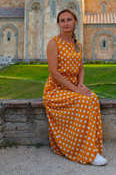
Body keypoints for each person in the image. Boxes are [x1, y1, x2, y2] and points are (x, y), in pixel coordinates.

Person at [43, 9, 107, 166]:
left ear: (75, 22)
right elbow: (54, 72)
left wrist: (80, 85)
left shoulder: (78, 45)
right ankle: (84, 152)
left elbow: (81, 69)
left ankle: (92, 147)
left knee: (93, 98)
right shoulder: (53, 43)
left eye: (69, 20)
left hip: (73, 86)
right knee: (83, 101)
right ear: (58, 24)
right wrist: (76, 90)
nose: (65, 23)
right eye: (62, 20)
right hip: (55, 89)